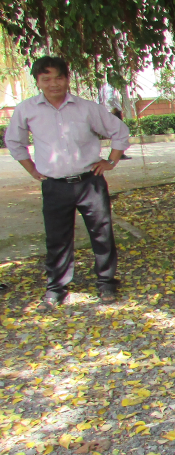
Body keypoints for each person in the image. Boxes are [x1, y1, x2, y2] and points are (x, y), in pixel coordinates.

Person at [5, 56, 130, 310]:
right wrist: (32, 169)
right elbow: (14, 142)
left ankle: (106, 281)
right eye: (46, 79)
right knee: (57, 238)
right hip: (55, 185)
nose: (53, 84)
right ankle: (57, 288)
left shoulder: (86, 108)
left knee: (102, 233)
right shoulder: (27, 109)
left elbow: (119, 131)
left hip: (90, 181)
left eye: (59, 77)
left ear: (67, 79)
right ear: (38, 81)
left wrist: (111, 161)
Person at [97, 82, 132, 159]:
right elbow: (109, 99)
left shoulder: (102, 87)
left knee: (115, 134)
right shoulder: (110, 86)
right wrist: (113, 109)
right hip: (113, 112)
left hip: (108, 112)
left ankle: (118, 153)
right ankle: (119, 153)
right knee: (120, 133)